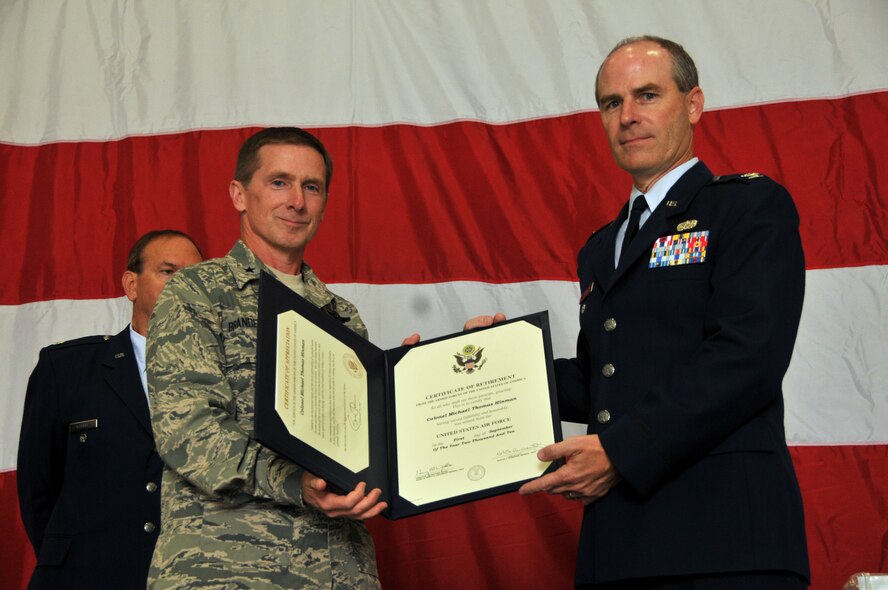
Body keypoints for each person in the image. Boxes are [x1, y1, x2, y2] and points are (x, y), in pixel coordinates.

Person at [471, 36, 810, 588]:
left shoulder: (747, 206)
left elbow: (749, 355)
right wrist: (496, 367)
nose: (628, 117)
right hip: (620, 546)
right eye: (611, 103)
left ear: (693, 104)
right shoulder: (602, 245)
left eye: (647, 95)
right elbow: (603, 378)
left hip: (724, 540)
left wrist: (620, 452)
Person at [147, 127, 413, 589]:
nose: (297, 201)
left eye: (311, 187)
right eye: (279, 182)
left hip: (339, 573)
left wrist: (411, 392)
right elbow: (188, 431)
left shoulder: (341, 317)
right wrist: (296, 483)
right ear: (239, 194)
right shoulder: (196, 294)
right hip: (228, 568)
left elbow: (366, 457)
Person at [17, 229, 203, 589]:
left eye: (193, 276)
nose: (184, 285)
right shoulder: (66, 369)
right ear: (131, 284)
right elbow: (37, 490)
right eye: (168, 272)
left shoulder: (225, 375)